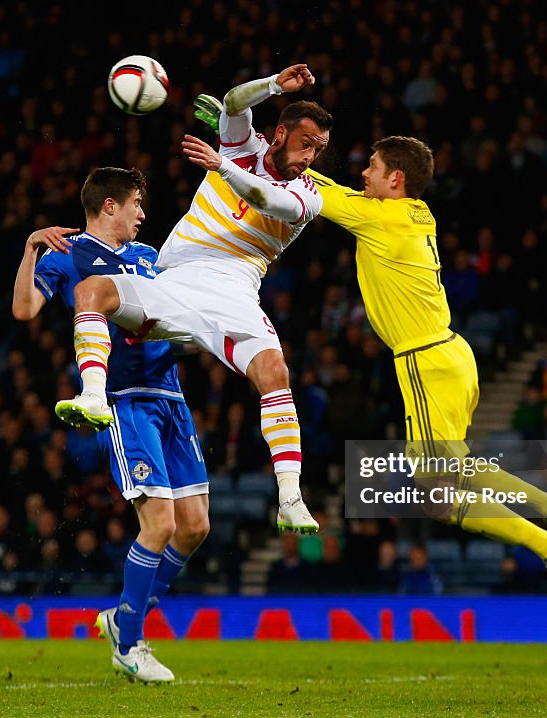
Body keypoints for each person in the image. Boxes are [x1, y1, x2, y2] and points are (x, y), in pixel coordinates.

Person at [304, 136, 547, 611]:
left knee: (436, 493)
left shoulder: (379, 216)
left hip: (424, 362)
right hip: (452, 353)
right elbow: (328, 187)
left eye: (371, 167)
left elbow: (309, 195)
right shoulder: (417, 212)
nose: (363, 174)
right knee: (447, 472)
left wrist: (247, 158)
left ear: (396, 179)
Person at [56, 65, 332, 535]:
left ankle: (289, 497)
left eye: (320, 150)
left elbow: (270, 202)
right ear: (280, 133)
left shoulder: (308, 195)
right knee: (91, 292)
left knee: (274, 371)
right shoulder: (246, 146)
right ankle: (94, 397)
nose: (311, 157)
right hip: (175, 279)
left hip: (234, 291)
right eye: (306, 144)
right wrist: (271, 85)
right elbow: (232, 103)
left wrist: (221, 165)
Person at [11, 167, 210, 683]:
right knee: (160, 523)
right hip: (123, 401)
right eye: (136, 205)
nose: (143, 213)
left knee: (195, 527)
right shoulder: (67, 255)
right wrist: (31, 247)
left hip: (171, 396)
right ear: (109, 207)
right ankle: (132, 640)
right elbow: (25, 309)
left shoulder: (150, 259)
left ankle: (122, 618)